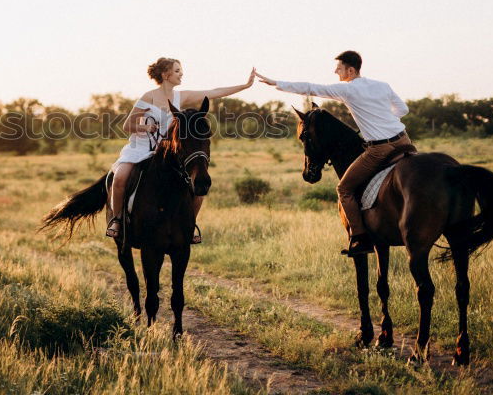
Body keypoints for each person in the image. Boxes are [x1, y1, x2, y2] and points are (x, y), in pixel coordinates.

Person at [255, 51, 413, 257]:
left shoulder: (348, 90)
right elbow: (403, 109)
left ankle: (360, 238)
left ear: (350, 70)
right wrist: (384, 119)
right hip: (404, 141)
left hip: (379, 149)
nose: (335, 71)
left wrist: (276, 82)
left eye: (338, 68)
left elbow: (311, 88)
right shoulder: (382, 85)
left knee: (344, 189)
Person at [108, 58, 255, 243]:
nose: (181, 74)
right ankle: (117, 220)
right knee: (120, 178)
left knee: (195, 185)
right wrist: (145, 128)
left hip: (168, 150)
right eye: (177, 71)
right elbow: (126, 125)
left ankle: (190, 225)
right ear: (165, 74)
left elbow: (214, 92)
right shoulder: (147, 97)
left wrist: (245, 85)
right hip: (141, 148)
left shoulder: (181, 97)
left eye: (181, 70)